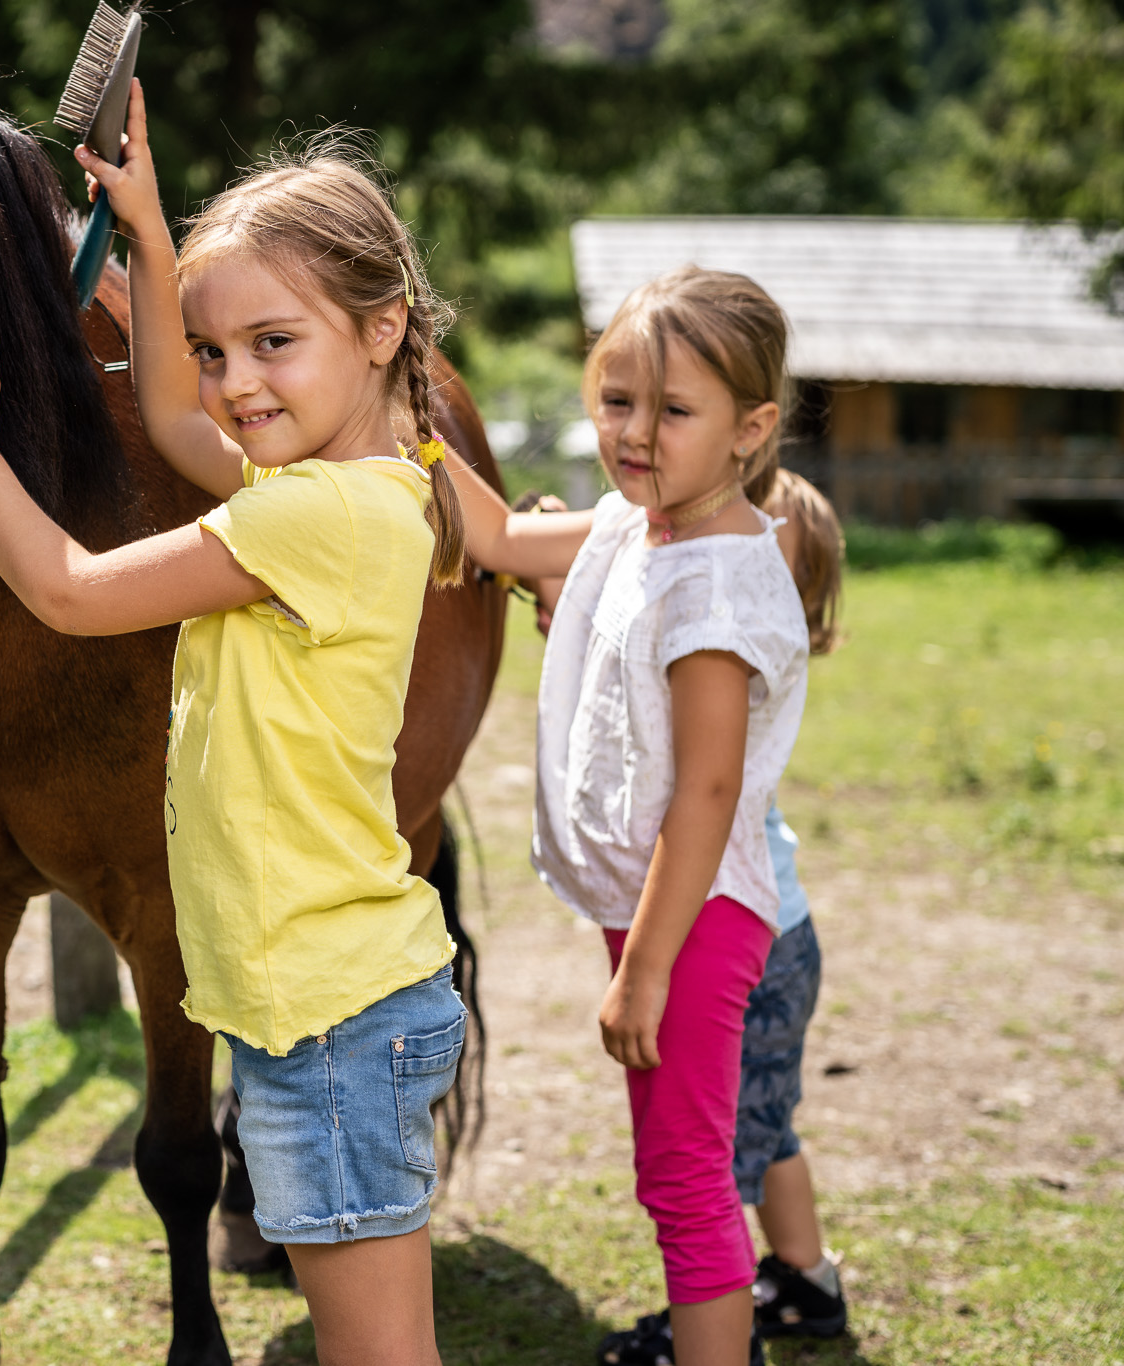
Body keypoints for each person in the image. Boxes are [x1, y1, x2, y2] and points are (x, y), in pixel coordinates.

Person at [0, 78, 468, 1366]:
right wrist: (146, 228)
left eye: (273, 345)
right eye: (219, 346)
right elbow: (173, 417)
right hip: (347, 995)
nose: (235, 385)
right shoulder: (358, 489)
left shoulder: (303, 518)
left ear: (383, 325)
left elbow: (69, 592)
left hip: (326, 1017)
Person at [436, 267, 814, 1366]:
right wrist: (405, 421)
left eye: (672, 410)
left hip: (690, 921)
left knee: (686, 1178)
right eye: (615, 402)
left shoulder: (713, 590)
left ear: (750, 429)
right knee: (671, 1171)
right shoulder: (630, 527)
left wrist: (645, 964)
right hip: (657, 914)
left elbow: (705, 793)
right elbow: (501, 539)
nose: (634, 435)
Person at [518, 469, 852, 1360]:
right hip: (784, 932)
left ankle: (715, 1325)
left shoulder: (721, 631)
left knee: (711, 1167)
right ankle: (806, 1280)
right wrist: (563, 570)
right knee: (766, 1128)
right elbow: (599, 636)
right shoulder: (709, 623)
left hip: (742, 932)